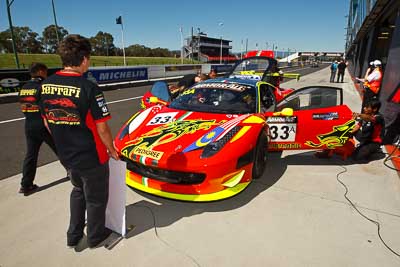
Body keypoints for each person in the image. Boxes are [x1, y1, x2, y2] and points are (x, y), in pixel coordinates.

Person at [39, 34, 119, 249]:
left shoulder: (45, 85)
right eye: (89, 58)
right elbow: (102, 127)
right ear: (83, 59)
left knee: (77, 191)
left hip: (66, 155)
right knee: (96, 198)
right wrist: (111, 149)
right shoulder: (89, 88)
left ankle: (73, 235)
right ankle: (96, 236)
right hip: (91, 155)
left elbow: (47, 122)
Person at [18, 63, 58, 195]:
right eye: (45, 72)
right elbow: (48, 107)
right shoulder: (42, 86)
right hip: (44, 124)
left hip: (29, 124)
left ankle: (26, 185)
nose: (46, 74)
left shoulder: (24, 87)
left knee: (31, 155)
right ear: (41, 71)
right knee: (60, 148)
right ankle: (74, 174)